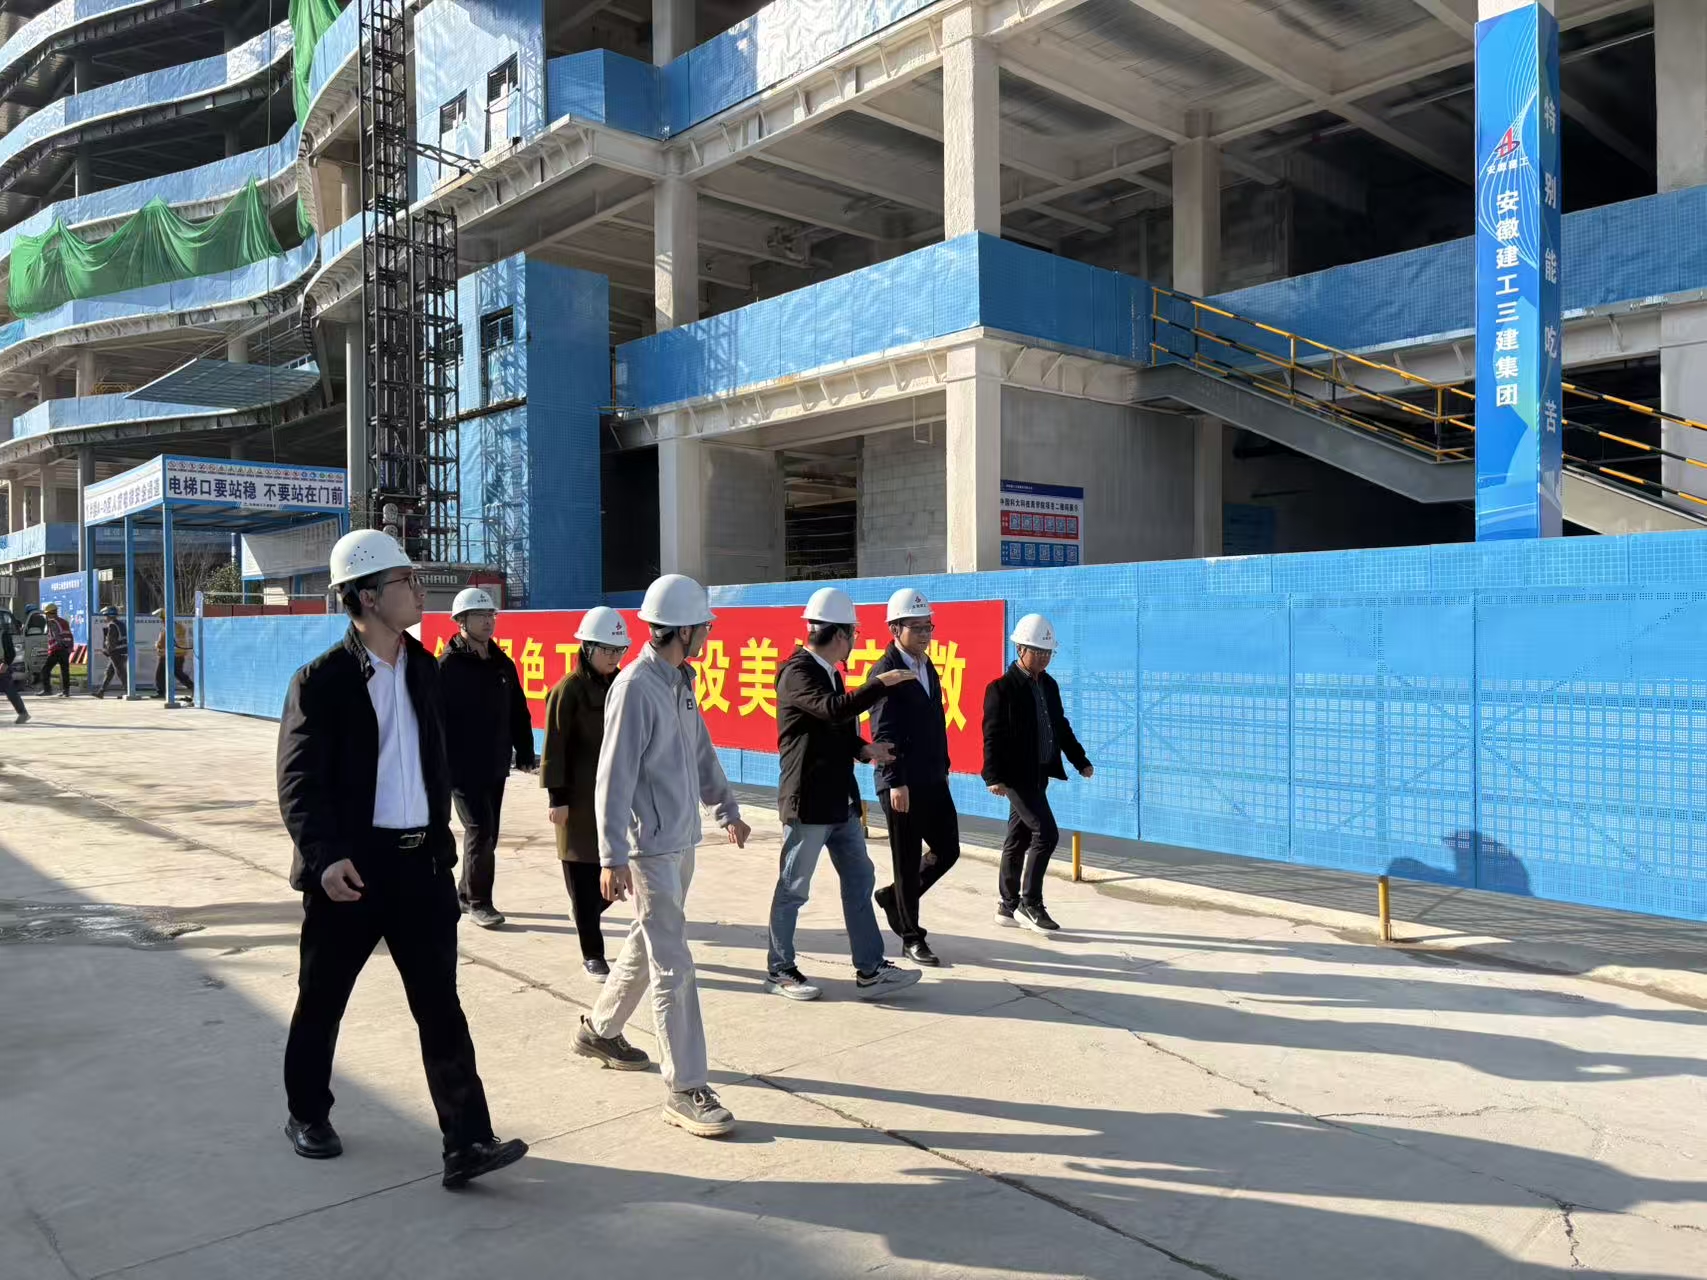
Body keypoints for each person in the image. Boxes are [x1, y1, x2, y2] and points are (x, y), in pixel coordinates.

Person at [276, 528, 527, 1189]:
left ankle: (467, 1141)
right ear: (365, 597)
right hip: (352, 872)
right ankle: (306, 1112)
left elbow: (435, 759)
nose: (419, 591)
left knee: (440, 1005)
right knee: (322, 999)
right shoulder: (321, 681)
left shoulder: (424, 669)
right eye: (405, 581)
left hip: (421, 867)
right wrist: (325, 857)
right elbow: (298, 782)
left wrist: (446, 843)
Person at [572, 573, 751, 1139]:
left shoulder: (680, 682)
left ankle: (600, 1030)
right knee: (674, 962)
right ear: (683, 631)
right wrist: (611, 855)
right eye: (704, 627)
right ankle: (685, 1087)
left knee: (645, 943)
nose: (709, 635)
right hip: (649, 849)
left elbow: (700, 751)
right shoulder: (634, 687)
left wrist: (725, 807)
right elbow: (613, 777)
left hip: (681, 841)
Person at [765, 587, 922, 1003]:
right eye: (853, 633)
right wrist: (880, 684)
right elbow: (833, 709)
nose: (854, 641)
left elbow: (833, 727)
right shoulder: (797, 672)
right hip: (808, 802)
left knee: (859, 879)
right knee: (794, 887)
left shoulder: (831, 673)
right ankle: (780, 969)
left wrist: (864, 749)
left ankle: (870, 969)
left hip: (840, 801)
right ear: (838, 634)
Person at [980, 613, 1094, 934]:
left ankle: (1007, 905)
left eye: (1048, 652)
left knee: (1018, 837)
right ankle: (1030, 903)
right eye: (1038, 651)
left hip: (1039, 774)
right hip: (1015, 776)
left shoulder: (1049, 685)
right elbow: (992, 736)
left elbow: (1060, 727)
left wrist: (1079, 760)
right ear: (1020, 649)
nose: (1044, 658)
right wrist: (993, 776)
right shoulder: (1001, 689)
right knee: (1046, 833)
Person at [868, 588, 961, 966]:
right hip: (902, 782)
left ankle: (894, 898)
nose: (925, 634)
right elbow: (883, 731)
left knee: (948, 849)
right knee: (906, 860)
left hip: (932, 777)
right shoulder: (885, 671)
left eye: (928, 627)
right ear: (895, 628)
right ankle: (911, 937)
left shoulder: (926, 665)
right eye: (917, 627)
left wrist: (944, 767)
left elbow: (936, 722)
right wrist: (894, 781)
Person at [437, 587, 537, 929]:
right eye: (480, 616)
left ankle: (466, 893)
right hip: (461, 768)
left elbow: (518, 710)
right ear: (461, 621)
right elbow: (434, 721)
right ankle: (480, 902)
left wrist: (525, 751)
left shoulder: (501, 663)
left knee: (488, 833)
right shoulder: (447, 667)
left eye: (491, 615)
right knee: (479, 829)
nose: (488, 621)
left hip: (495, 764)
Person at [540, 606, 630, 981]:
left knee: (608, 885)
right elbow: (554, 746)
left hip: (613, 797)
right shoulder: (569, 690)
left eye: (619, 650)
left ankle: (583, 914)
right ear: (587, 648)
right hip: (576, 800)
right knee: (581, 876)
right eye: (607, 650)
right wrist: (557, 799)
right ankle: (593, 953)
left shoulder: (622, 686)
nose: (614, 657)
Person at [152, 608, 193, 699]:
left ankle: (192, 687)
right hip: (172, 654)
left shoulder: (171, 627)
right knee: (169, 674)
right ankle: (161, 691)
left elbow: (166, 641)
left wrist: (159, 646)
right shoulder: (173, 626)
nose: (161, 621)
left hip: (173, 654)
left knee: (172, 673)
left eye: (162, 618)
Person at [37, 603, 71, 698]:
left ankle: (47, 690)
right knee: (65, 671)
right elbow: (69, 635)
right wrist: (68, 648)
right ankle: (66, 691)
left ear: (50, 613)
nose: (46, 616)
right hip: (66, 650)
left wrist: (57, 647)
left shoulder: (52, 622)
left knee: (45, 670)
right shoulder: (64, 622)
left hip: (57, 650)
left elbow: (57, 636)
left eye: (47, 614)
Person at [93, 606, 128, 699]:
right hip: (122, 652)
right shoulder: (121, 624)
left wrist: (106, 651)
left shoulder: (112, 625)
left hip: (116, 653)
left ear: (109, 616)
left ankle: (129, 691)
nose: (105, 618)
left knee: (121, 673)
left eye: (106, 616)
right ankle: (101, 692)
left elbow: (111, 642)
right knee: (109, 672)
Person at [1, 621, 28, 724]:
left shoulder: (3, 634)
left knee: (9, 690)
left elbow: (11, 653)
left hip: (2, 666)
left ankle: (23, 713)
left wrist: (6, 664)